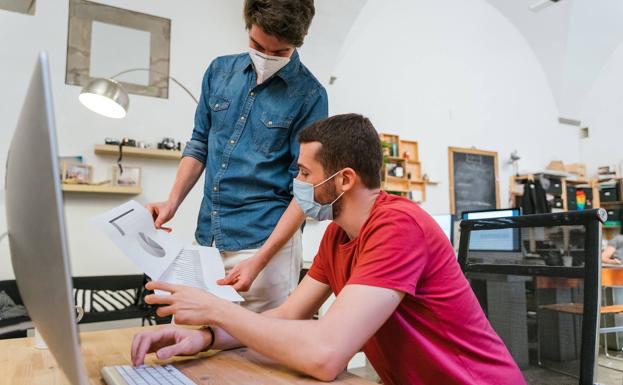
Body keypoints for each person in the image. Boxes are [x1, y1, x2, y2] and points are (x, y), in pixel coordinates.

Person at [132, 114, 526, 385]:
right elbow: (287, 314)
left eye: (305, 174)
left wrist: (216, 308)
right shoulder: (338, 235)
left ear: (344, 180)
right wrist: (207, 337)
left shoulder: (398, 226)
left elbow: (326, 355)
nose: (297, 184)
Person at [146, 0, 328, 312]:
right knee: (188, 335)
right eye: (258, 46)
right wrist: (172, 202)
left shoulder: (310, 96)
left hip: (265, 246)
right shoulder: (219, 72)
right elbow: (199, 143)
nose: (267, 58)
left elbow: (305, 187)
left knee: (255, 351)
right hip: (208, 239)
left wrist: (262, 259)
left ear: (301, 39)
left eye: (279, 52)